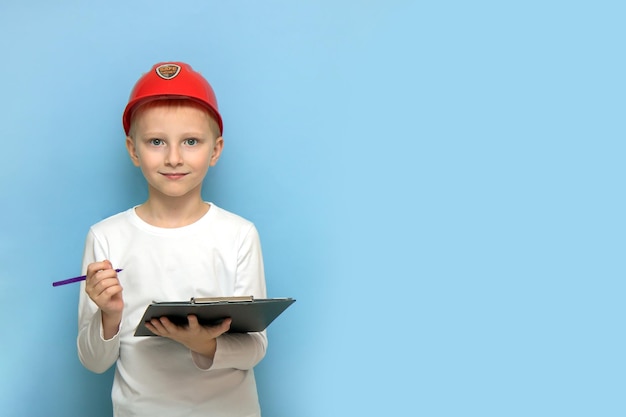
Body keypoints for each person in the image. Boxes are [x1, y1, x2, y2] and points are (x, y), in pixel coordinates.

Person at [77, 62, 267, 417]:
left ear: (215, 149)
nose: (174, 158)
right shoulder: (105, 237)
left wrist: (205, 344)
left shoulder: (239, 234)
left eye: (191, 141)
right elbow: (93, 362)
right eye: (156, 142)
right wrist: (109, 315)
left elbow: (254, 348)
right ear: (133, 150)